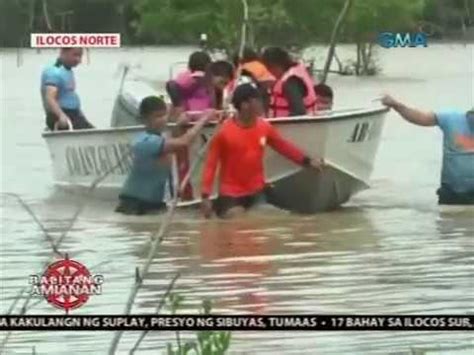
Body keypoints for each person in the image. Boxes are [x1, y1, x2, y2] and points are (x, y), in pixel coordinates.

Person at [200, 83, 324, 219]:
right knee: (238, 224)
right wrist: (205, 196)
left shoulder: (264, 127)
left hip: (257, 191)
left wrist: (308, 161)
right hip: (231, 195)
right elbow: (211, 165)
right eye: (258, 101)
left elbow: (283, 147)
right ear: (244, 105)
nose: (262, 104)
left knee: (273, 220)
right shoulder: (223, 132)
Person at [115, 96, 215, 215]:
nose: (162, 120)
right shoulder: (145, 142)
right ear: (144, 120)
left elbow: (176, 144)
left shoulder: (160, 139)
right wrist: (203, 120)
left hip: (154, 204)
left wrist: (179, 125)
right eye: (157, 116)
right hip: (133, 205)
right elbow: (183, 142)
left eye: (164, 115)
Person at [381, 94, 474, 205]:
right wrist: (397, 106)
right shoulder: (452, 119)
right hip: (451, 195)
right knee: (449, 218)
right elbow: (421, 118)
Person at [40, 47, 94, 130]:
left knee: (94, 134)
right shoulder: (54, 71)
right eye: (75, 55)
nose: (79, 60)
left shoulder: (66, 70)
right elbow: (50, 98)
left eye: (80, 56)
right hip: (60, 116)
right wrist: (61, 116)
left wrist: (80, 114)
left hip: (74, 114)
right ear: (63, 52)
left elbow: (68, 95)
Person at [261, 47, 317, 117]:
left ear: (275, 66)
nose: (270, 72)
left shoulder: (290, 81)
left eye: (269, 68)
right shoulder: (297, 71)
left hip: (292, 126)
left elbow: (299, 111)